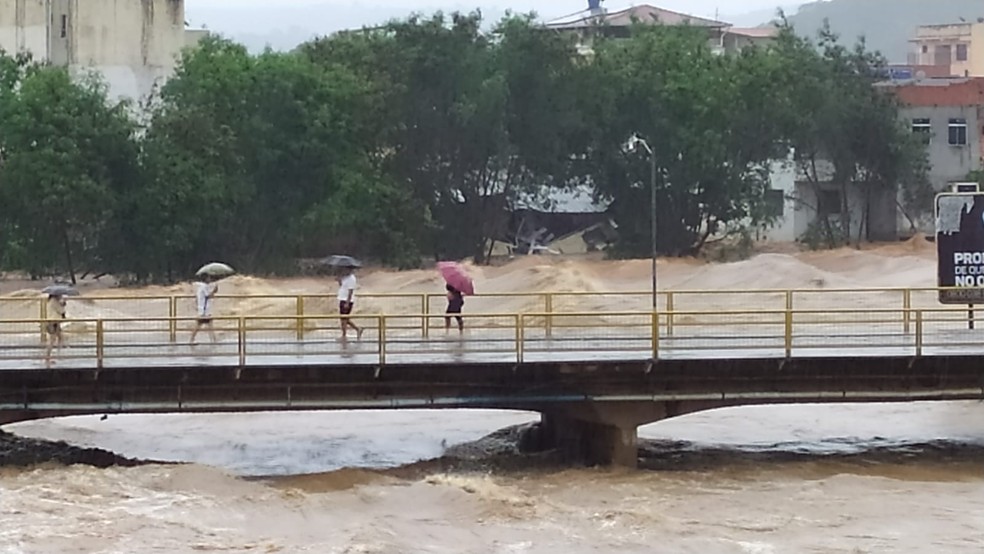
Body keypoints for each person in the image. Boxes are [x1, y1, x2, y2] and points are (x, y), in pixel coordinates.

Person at [190, 274, 218, 344]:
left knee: (209, 326)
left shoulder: (200, 287)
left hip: (203, 309)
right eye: (209, 278)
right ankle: (192, 339)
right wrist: (214, 291)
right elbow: (208, 295)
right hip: (204, 311)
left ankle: (214, 340)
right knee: (199, 326)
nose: (210, 279)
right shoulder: (204, 286)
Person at [337, 268, 362, 342]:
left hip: (347, 300)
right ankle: (357, 329)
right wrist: (339, 280)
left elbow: (350, 291)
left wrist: (347, 302)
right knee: (343, 318)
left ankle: (344, 335)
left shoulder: (352, 278)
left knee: (344, 319)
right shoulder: (345, 277)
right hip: (342, 298)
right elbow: (342, 286)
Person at [44, 293, 67, 367]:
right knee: (52, 340)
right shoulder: (54, 301)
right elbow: (61, 311)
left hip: (54, 321)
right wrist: (63, 304)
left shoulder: (51, 301)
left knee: (60, 337)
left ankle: (57, 354)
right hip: (53, 322)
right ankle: (48, 357)